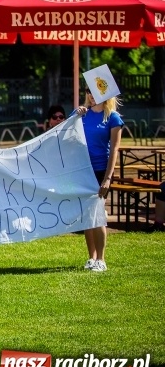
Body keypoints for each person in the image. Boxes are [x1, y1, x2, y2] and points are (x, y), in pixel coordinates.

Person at [75, 91, 123, 272]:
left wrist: (108, 178)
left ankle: (101, 259)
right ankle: (91, 257)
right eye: (89, 91)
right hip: (82, 171)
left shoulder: (113, 118)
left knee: (97, 214)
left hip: (101, 171)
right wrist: (76, 115)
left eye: (96, 91)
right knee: (88, 217)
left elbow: (114, 150)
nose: (92, 95)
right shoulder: (82, 114)